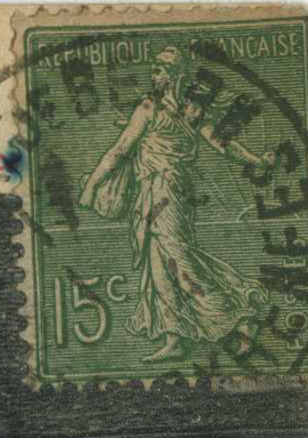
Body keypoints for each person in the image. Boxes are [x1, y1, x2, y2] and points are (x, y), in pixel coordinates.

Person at [79, 46, 270, 364]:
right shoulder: (164, 107)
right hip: (154, 191)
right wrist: (92, 184)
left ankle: (242, 310)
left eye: (162, 67)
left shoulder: (170, 109)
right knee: (162, 261)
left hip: (167, 189)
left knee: (176, 258)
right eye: (154, 67)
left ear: (177, 74)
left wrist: (256, 160)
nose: (155, 72)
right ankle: (176, 335)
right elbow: (121, 149)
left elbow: (222, 143)